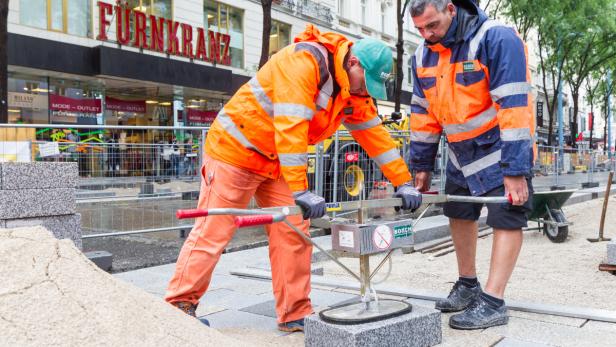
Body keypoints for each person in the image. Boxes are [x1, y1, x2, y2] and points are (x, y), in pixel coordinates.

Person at [165, 24, 422, 332]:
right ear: (353, 62)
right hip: (235, 152)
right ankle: (178, 307)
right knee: (213, 231)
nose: (365, 91)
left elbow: (374, 136)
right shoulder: (304, 63)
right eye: (365, 83)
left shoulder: (351, 89)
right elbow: (291, 128)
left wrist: (402, 180)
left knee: (294, 234)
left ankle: (294, 312)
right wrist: (301, 189)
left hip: (275, 161)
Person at [408, 0, 535, 329]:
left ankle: (493, 301)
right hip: (460, 152)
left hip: (499, 149)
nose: (427, 34)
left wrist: (516, 171)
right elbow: (422, 115)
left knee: (507, 214)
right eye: (419, 28)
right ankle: (468, 285)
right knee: (459, 212)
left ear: (451, 8)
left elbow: (514, 106)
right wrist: (420, 165)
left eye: (432, 25)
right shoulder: (422, 56)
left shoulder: (496, 38)